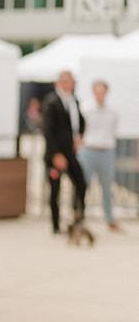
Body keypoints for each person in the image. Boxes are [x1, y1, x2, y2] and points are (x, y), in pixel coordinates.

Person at [42, 71, 86, 235]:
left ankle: (78, 217)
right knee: (55, 190)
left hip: (70, 152)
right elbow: (47, 131)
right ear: (58, 83)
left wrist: (80, 136)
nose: (68, 84)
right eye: (65, 81)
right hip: (56, 154)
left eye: (70, 81)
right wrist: (55, 154)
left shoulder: (74, 101)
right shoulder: (51, 102)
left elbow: (81, 122)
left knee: (81, 183)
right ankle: (56, 226)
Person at [80, 80, 122, 232]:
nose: (100, 95)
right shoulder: (86, 109)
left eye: (102, 91)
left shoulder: (112, 111)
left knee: (107, 186)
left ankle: (110, 218)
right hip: (90, 149)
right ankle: (80, 216)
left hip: (106, 151)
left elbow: (113, 129)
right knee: (84, 185)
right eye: (97, 91)